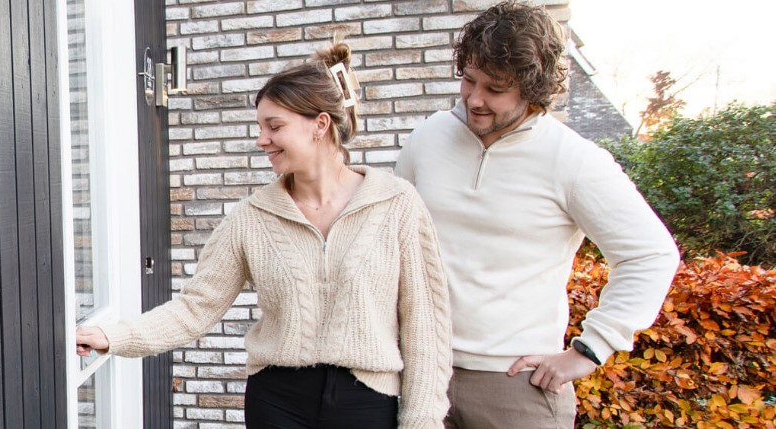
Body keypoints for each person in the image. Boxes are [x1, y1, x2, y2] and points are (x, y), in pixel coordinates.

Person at [76, 41, 452, 428]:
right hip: (277, 403)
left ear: (320, 125)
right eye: (261, 127)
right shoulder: (252, 218)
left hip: (368, 402)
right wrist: (114, 336)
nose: (262, 139)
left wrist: (422, 419)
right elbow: (195, 308)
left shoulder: (396, 204)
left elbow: (425, 326)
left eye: (275, 126)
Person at [394, 2, 681, 428]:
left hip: (515, 388)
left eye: (495, 88)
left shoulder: (574, 160)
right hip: (421, 374)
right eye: (469, 81)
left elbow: (651, 255)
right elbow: (394, 239)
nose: (475, 99)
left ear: (532, 88)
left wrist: (589, 350)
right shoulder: (428, 137)